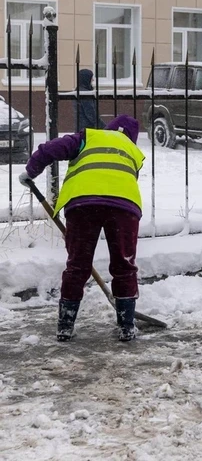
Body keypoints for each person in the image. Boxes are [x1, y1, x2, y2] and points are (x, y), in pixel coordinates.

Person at [19, 115, 145, 342]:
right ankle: (127, 326)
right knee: (124, 264)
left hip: (83, 206)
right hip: (124, 209)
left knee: (77, 265)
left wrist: (31, 171)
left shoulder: (89, 137)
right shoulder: (133, 151)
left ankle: (65, 326)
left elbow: (51, 149)